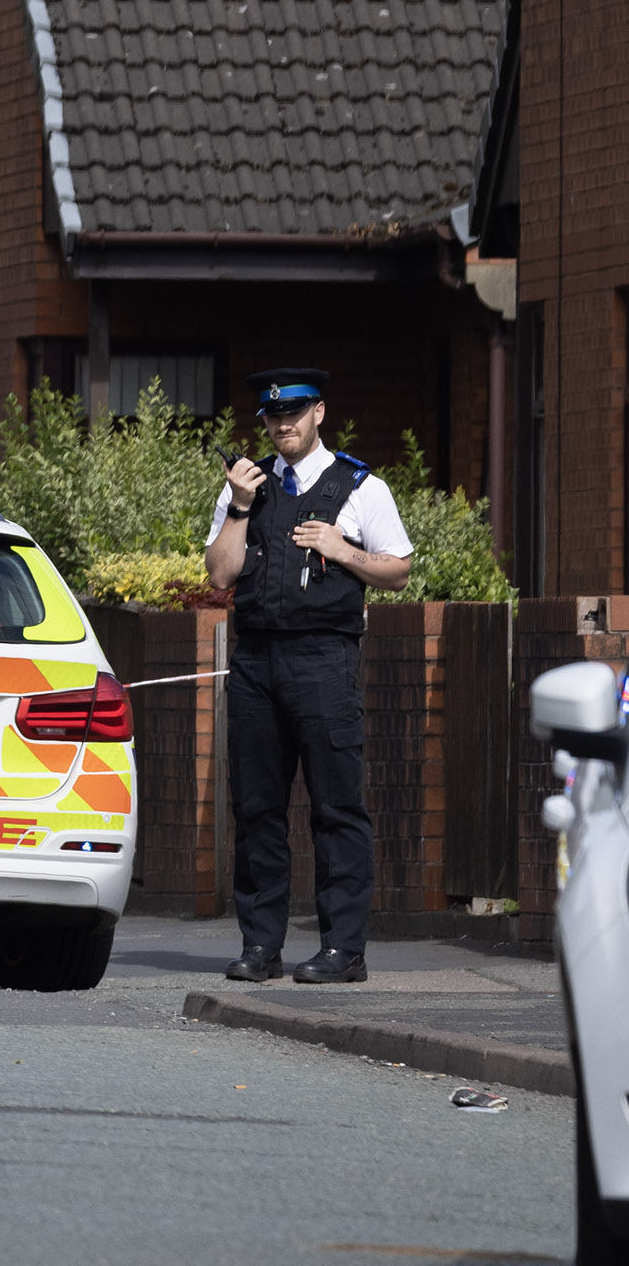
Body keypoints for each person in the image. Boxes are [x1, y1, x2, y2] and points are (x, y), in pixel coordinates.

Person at [206, 367, 411, 985]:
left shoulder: (359, 485)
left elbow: (398, 570)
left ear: (318, 413)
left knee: (337, 807)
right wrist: (240, 507)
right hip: (257, 662)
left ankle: (343, 949)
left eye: (294, 412)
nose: (282, 424)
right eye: (272, 416)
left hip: (325, 660)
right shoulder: (248, 486)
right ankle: (261, 945)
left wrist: (342, 548)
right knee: (257, 808)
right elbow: (220, 574)